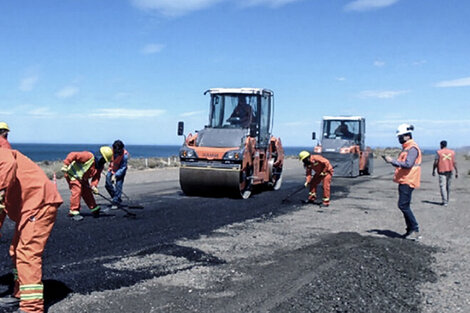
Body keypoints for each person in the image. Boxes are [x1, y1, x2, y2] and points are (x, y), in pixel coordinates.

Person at [0, 149, 63, 313]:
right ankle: (20, 294)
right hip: (28, 207)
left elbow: (8, 163)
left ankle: (32, 308)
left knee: (27, 253)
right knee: (16, 250)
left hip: (39, 203)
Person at [384, 123, 421, 240]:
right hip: (405, 179)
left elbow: (408, 164)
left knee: (403, 205)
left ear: (407, 136)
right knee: (404, 205)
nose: (399, 139)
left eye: (400, 137)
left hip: (408, 180)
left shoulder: (412, 148)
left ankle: (414, 228)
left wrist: (392, 161)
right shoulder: (407, 148)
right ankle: (410, 229)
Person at [61, 146, 112, 221]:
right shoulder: (88, 156)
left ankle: (94, 208)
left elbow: (96, 177)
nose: (104, 161)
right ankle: (74, 211)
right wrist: (66, 164)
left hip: (82, 178)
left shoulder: (99, 166)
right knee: (77, 191)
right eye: (103, 159)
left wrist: (94, 186)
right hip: (72, 175)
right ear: (100, 156)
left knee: (87, 191)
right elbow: (73, 154)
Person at [432, 140, 458, 206]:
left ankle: (445, 201)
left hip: (442, 171)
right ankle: (447, 199)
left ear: (441, 145)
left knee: (442, 186)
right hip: (450, 170)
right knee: (448, 186)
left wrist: (433, 170)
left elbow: (436, 162)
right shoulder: (452, 152)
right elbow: (454, 162)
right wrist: (456, 171)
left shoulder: (439, 152)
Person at [105, 140, 129, 209]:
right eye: (115, 150)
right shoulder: (111, 151)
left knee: (118, 185)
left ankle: (116, 201)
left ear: (121, 148)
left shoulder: (124, 156)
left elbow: (123, 167)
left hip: (120, 171)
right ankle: (117, 198)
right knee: (108, 184)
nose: (116, 152)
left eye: (118, 150)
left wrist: (115, 176)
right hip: (111, 169)